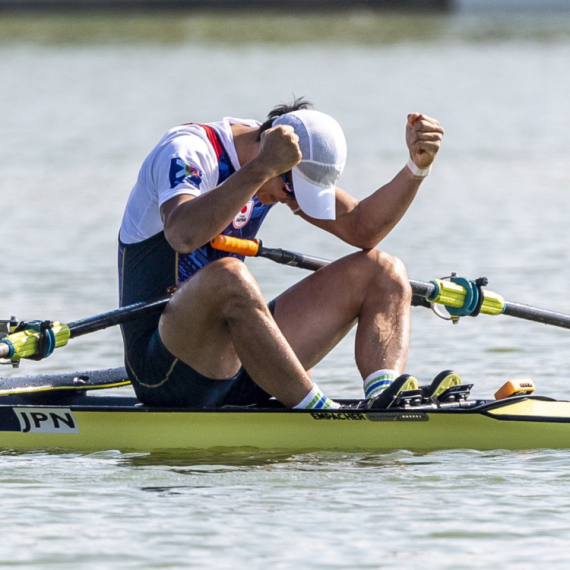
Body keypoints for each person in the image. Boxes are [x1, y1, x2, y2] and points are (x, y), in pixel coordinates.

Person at [118, 98, 445, 410]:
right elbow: (182, 235)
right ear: (266, 152)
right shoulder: (188, 149)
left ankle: (384, 398)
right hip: (164, 371)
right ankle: (319, 412)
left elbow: (362, 228)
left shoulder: (277, 160)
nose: (289, 200)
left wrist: (416, 169)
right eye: (290, 190)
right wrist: (262, 168)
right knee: (229, 275)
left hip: (240, 362)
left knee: (384, 270)